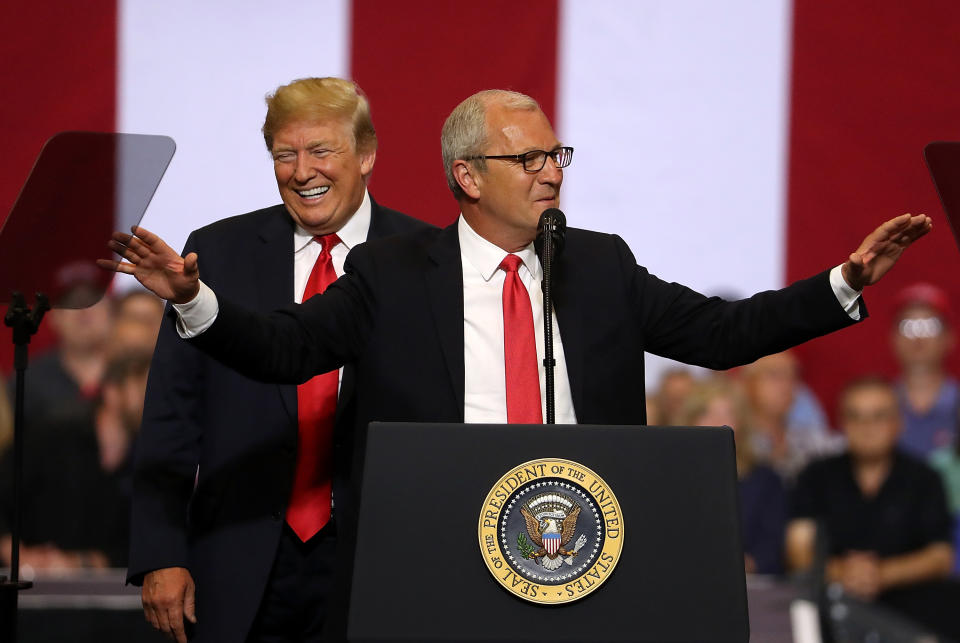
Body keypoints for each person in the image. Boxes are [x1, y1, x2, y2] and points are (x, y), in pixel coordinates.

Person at [102, 88, 932, 631]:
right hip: (439, 564)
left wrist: (840, 284)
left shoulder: (598, 265)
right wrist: (190, 299)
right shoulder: (392, 275)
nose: (549, 174)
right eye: (527, 159)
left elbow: (720, 333)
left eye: (555, 155)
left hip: (584, 555)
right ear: (466, 175)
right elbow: (285, 348)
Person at [123, 77, 428, 643]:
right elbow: (172, 413)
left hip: (376, 559)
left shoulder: (425, 260)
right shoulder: (213, 255)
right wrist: (161, 552)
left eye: (321, 151)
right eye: (284, 154)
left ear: (366, 155)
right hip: (237, 556)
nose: (301, 170)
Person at [786, 376, 957, 637]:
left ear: (898, 423)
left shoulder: (924, 478)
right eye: (856, 417)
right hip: (832, 603)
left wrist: (882, 574)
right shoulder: (815, 476)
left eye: (879, 416)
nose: (867, 427)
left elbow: (940, 557)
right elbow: (798, 551)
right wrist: (844, 572)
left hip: (910, 602)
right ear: (842, 424)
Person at [0, 349, 150, 571]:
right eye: (145, 388)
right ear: (112, 392)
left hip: (103, 595)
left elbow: (133, 548)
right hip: (27, 585)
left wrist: (79, 563)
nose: (157, 401)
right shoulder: (52, 434)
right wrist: (17, 556)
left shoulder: (147, 462)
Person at [679, 375, 787, 575]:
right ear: (690, 421)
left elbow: (771, 550)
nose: (716, 423)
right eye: (706, 413)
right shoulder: (672, 480)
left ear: (741, 423)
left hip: (748, 587)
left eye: (727, 414)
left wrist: (733, 568)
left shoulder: (766, 480)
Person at [743, 351, 843, 482]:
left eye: (793, 377)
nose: (786, 386)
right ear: (748, 384)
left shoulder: (811, 440)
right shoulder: (738, 442)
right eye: (775, 376)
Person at [891, 282, 959, 458]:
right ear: (893, 339)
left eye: (930, 326)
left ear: (950, 337)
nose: (918, 338)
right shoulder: (877, 406)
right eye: (908, 327)